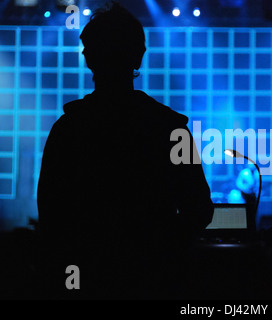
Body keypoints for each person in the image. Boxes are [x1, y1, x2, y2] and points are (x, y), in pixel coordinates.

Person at [37, 2, 213, 299]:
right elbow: (199, 209)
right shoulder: (171, 128)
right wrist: (162, 250)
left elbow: (52, 215)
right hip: (154, 280)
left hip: (87, 279)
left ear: (90, 57)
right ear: (139, 55)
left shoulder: (68, 128)